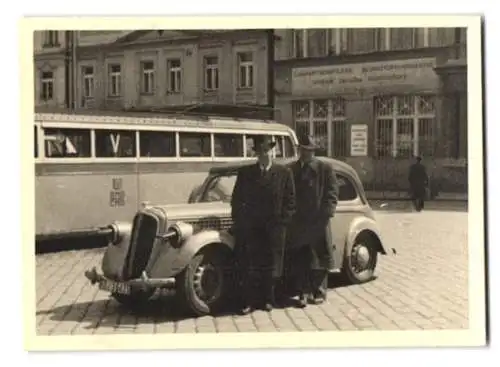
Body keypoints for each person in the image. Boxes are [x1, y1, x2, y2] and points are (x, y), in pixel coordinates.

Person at [231, 135, 296, 315]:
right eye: (261, 151)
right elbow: (236, 200)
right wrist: (241, 221)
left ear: (273, 152)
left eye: (268, 150)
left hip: (274, 228)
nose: (265, 154)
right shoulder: (246, 173)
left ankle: (268, 299)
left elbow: (290, 201)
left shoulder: (283, 173)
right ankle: (249, 302)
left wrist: (282, 222)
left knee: (271, 265)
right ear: (257, 154)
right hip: (251, 228)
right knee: (250, 265)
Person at [287, 135, 338, 308]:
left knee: (319, 258)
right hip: (298, 222)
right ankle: (302, 292)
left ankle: (319, 292)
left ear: (313, 151)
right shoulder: (291, 169)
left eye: (308, 150)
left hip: (318, 221)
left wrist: (325, 214)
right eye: (302, 149)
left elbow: (332, 193)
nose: (305, 153)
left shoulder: (324, 168)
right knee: (301, 258)